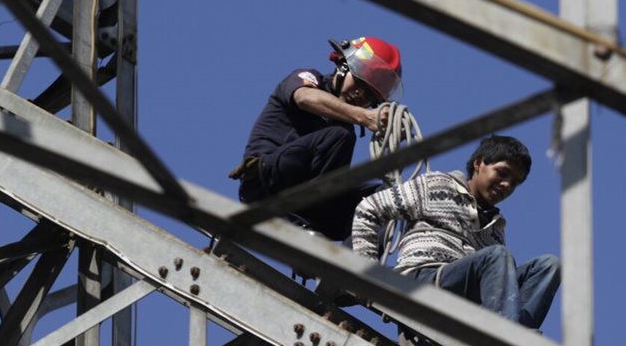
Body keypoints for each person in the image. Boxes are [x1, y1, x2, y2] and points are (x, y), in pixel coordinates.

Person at [351, 135, 560, 329]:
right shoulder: (438, 185)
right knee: (498, 255)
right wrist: (366, 271)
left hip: (464, 295)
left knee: (549, 265)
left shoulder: (495, 227)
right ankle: (506, 344)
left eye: (514, 183)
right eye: (502, 173)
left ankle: (518, 344)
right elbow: (370, 208)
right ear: (479, 164)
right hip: (423, 279)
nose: (506, 185)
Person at [229, 36, 403, 240]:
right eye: (359, 81)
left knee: (385, 199)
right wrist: (364, 117)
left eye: (369, 94)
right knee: (340, 136)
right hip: (267, 185)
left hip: (313, 207)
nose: (360, 94)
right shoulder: (309, 79)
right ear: (343, 67)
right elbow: (304, 97)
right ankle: (305, 219)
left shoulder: (346, 125)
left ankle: (351, 265)